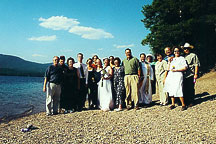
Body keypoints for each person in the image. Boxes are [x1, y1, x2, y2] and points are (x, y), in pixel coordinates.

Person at [164, 46, 187, 111]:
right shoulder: (172, 59)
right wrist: (169, 61)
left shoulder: (182, 58)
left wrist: (177, 70)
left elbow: (185, 67)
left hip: (178, 74)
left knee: (178, 88)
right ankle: (173, 103)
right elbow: (168, 68)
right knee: (171, 88)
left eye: (177, 51)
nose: (176, 52)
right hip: (171, 75)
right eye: (175, 51)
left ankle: (183, 104)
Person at [182, 43, 200, 107]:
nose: (186, 50)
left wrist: (195, 74)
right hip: (184, 75)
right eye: (185, 49)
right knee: (185, 88)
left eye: (187, 48)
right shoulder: (183, 57)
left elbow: (196, 64)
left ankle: (192, 101)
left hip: (191, 74)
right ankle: (186, 101)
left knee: (191, 88)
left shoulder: (193, 55)